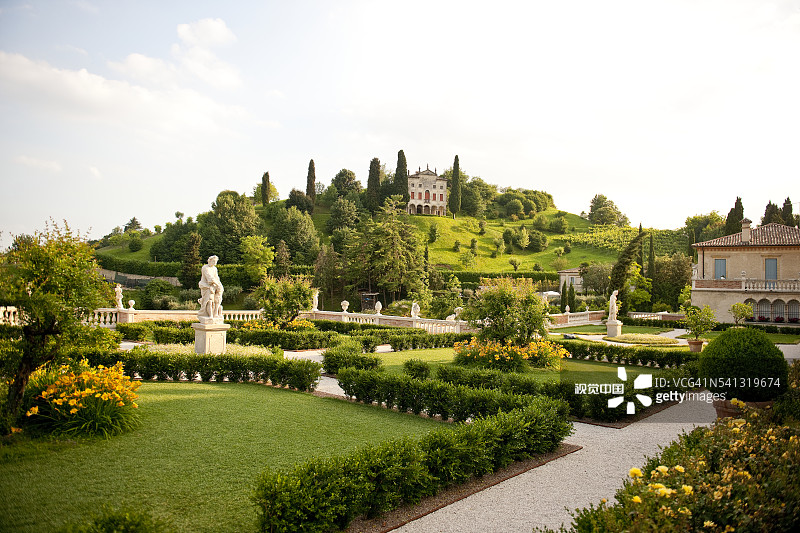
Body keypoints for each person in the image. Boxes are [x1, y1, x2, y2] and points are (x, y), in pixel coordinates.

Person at [198, 255, 224, 320]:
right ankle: (210, 315)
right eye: (214, 261)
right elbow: (209, 278)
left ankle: (215, 314)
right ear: (210, 261)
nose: (215, 263)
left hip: (213, 285)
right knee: (209, 300)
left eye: (216, 261)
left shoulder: (214, 269)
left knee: (217, 299)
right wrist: (217, 284)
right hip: (206, 286)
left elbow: (216, 278)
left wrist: (219, 285)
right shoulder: (205, 267)